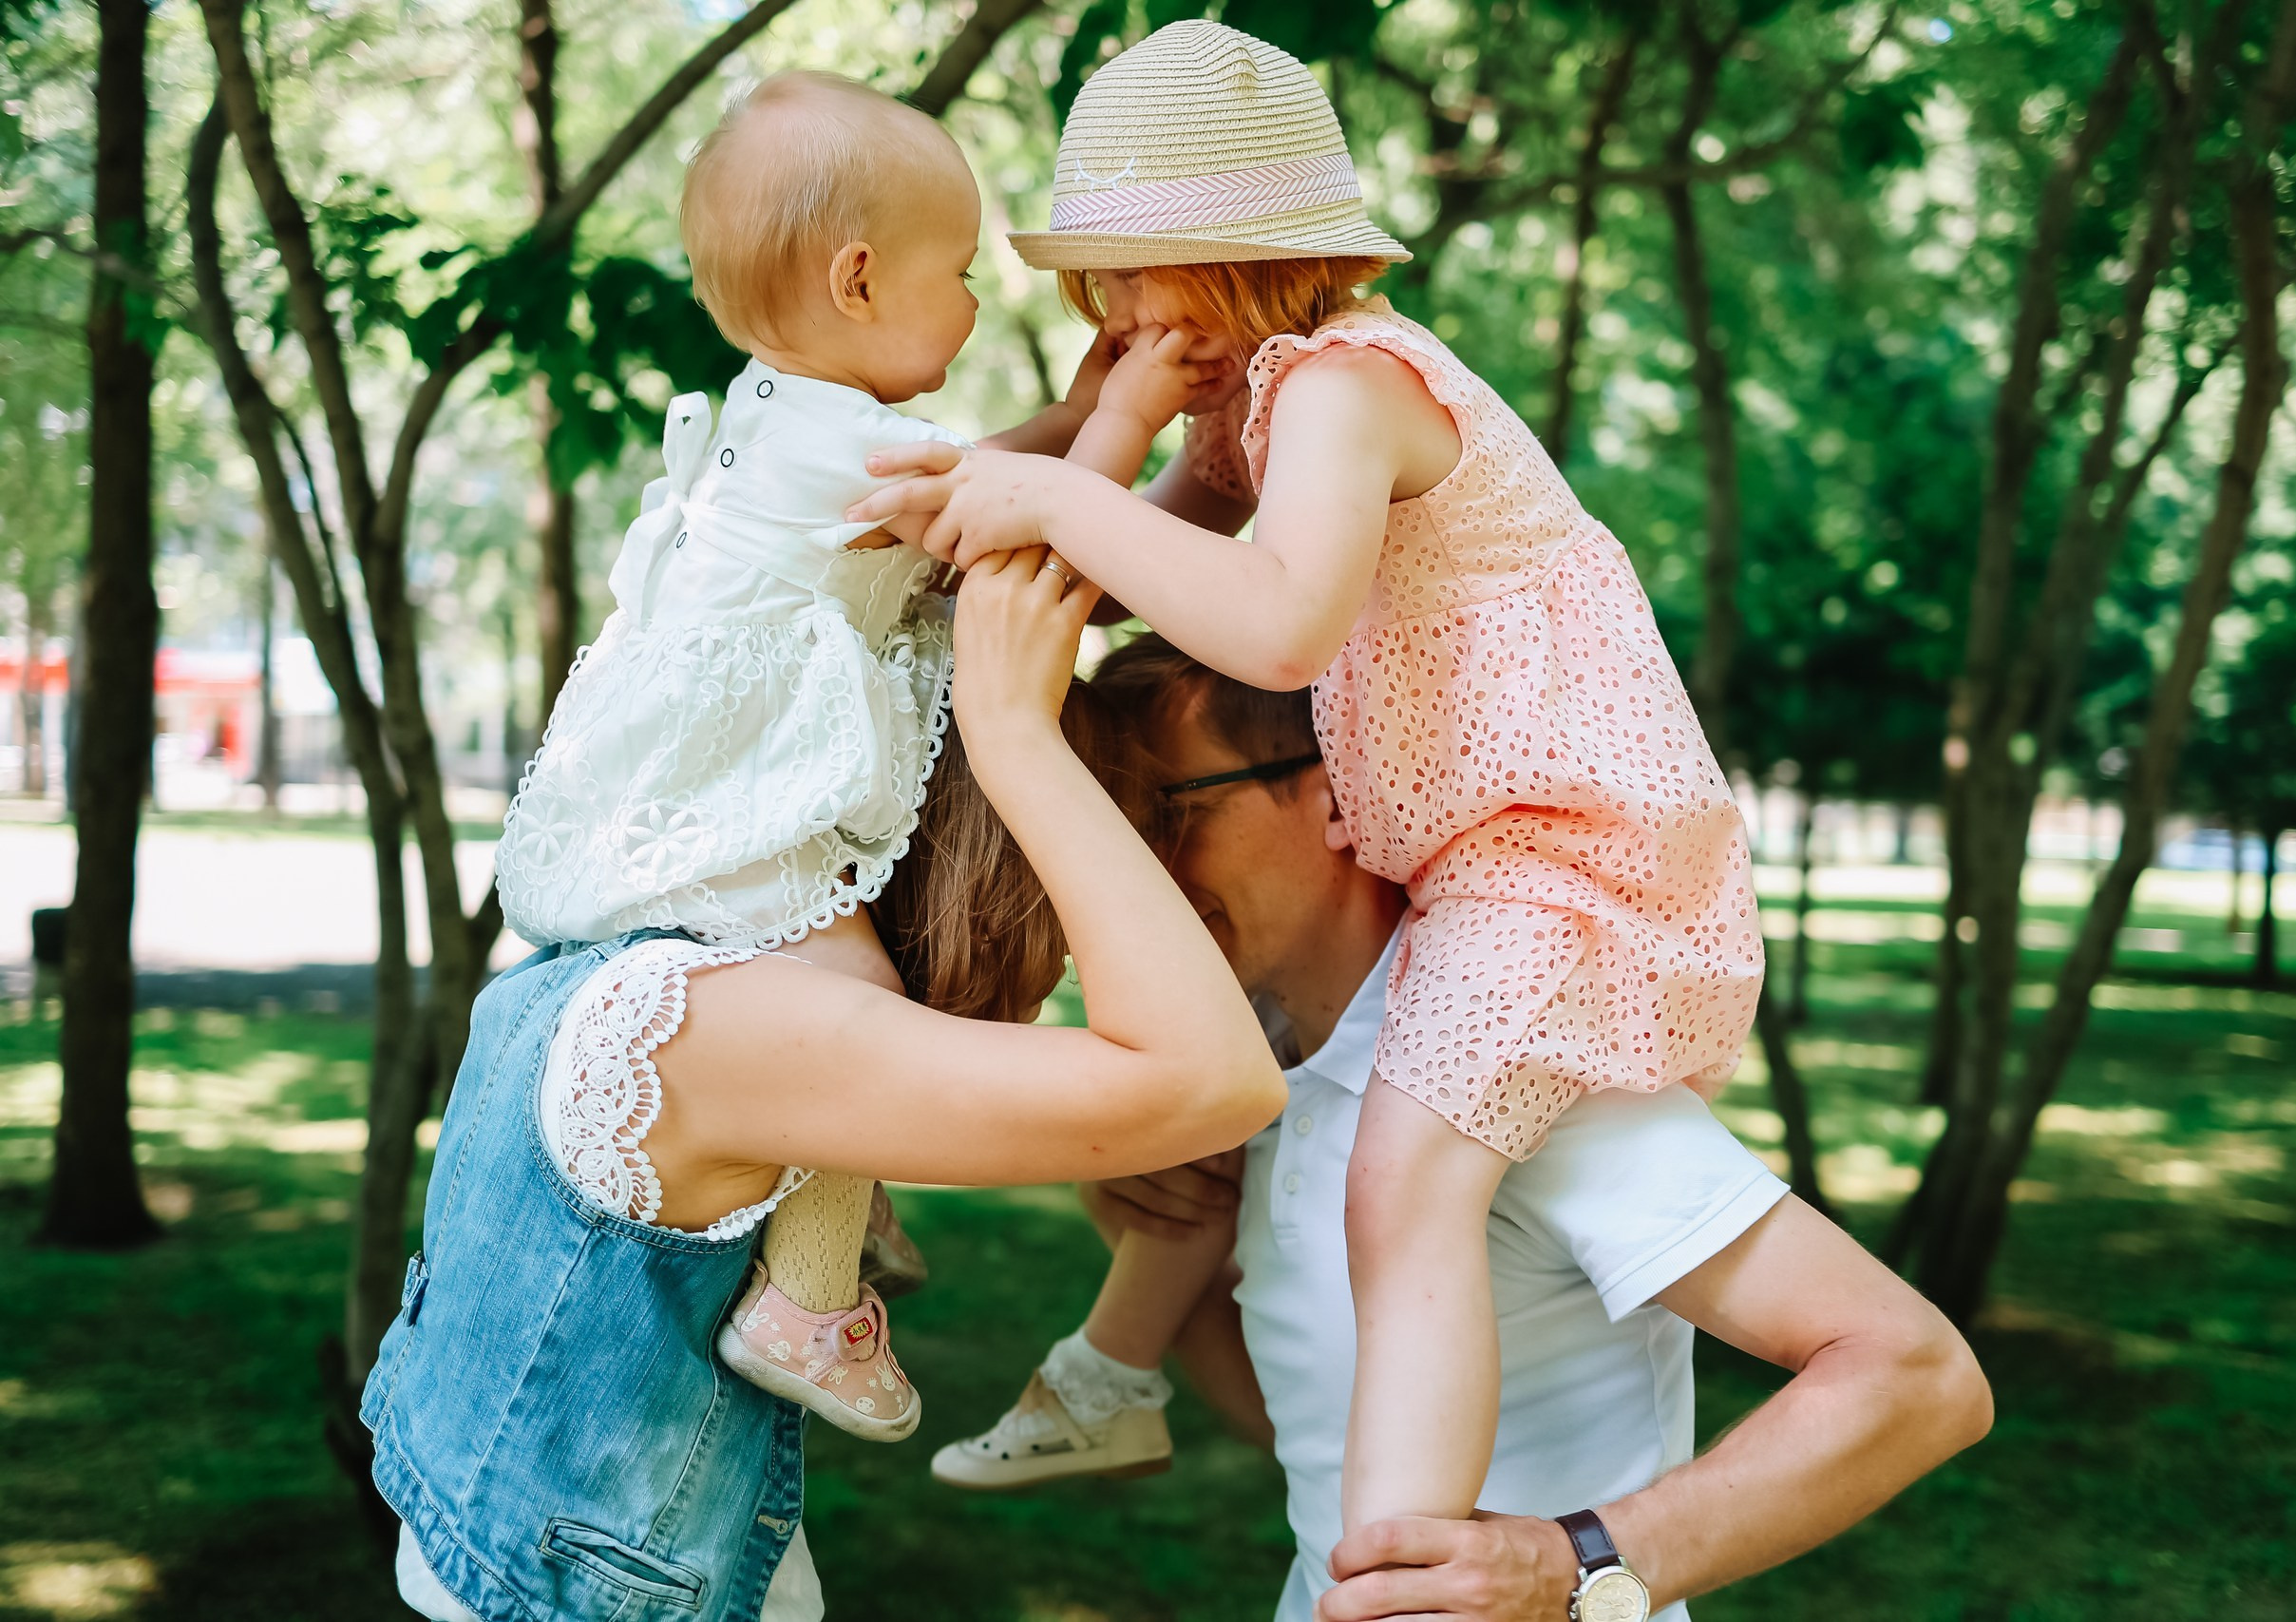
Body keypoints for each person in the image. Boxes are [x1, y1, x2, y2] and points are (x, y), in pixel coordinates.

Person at [861, 20, 1767, 1538]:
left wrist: (1041, 485)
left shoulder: (1347, 384)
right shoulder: (1255, 409)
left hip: (1558, 852)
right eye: (1105, 280)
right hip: (1475, 851)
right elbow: (1099, 568)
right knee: (1317, 1149)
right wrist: (1085, 435)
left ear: (1252, 257)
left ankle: (1394, 1562)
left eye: (1146, 270)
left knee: (1403, 1184)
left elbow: (1277, 619)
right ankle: (1127, 1377)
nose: (1124, 306)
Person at [948, 635, 1994, 1620]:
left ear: (1342, 792)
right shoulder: (1260, 1074)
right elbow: (1309, 1437)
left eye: (1166, 815)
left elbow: (1912, 1373)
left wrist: (1575, 1562)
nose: (1130, 873)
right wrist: (1143, 1236)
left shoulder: (1510, 1069)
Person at [487, 70, 1213, 1440]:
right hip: (742, 805)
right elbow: (1020, 522)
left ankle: (827, 1220)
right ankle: (808, 1298)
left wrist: (1081, 411)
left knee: (839, 1006)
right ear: (862, 278)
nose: (977, 299)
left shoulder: (793, 410)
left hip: (692, 776)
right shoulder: (846, 443)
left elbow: (984, 473)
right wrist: (1128, 418)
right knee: (854, 1005)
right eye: (957, 271)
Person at [366, 556, 1284, 1621]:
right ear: (978, 858)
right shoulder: (734, 1030)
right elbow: (1213, 1080)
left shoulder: (649, 955)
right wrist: (1019, 737)